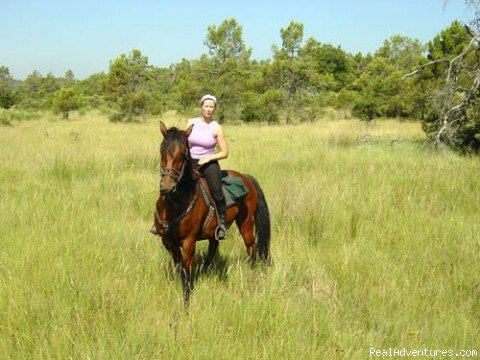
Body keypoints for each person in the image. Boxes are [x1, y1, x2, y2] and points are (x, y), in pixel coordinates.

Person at [187, 94, 229, 240]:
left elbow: (225, 152)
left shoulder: (216, 127)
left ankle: (222, 224)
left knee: (217, 191)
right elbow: (186, 143)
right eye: (206, 106)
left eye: (212, 107)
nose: (209, 109)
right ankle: (162, 221)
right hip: (190, 160)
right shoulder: (191, 122)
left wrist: (208, 158)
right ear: (201, 107)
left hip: (208, 163)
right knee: (170, 183)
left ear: (215, 109)